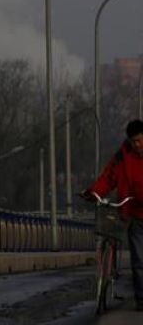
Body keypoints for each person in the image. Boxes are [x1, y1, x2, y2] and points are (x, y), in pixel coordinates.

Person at [83, 118, 143, 311]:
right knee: (139, 260)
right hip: (134, 214)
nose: (138, 145)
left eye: (141, 140)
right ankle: (141, 299)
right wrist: (94, 192)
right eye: (134, 141)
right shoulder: (122, 157)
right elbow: (109, 177)